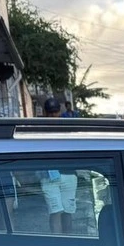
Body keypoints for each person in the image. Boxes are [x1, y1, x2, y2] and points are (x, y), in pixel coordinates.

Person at [40, 97, 78, 233]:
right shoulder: (36, 128)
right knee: (55, 212)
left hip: (69, 173)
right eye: (50, 112)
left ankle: (69, 245)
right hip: (48, 176)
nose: (52, 115)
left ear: (59, 111)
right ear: (44, 112)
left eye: (55, 112)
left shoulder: (68, 127)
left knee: (68, 212)